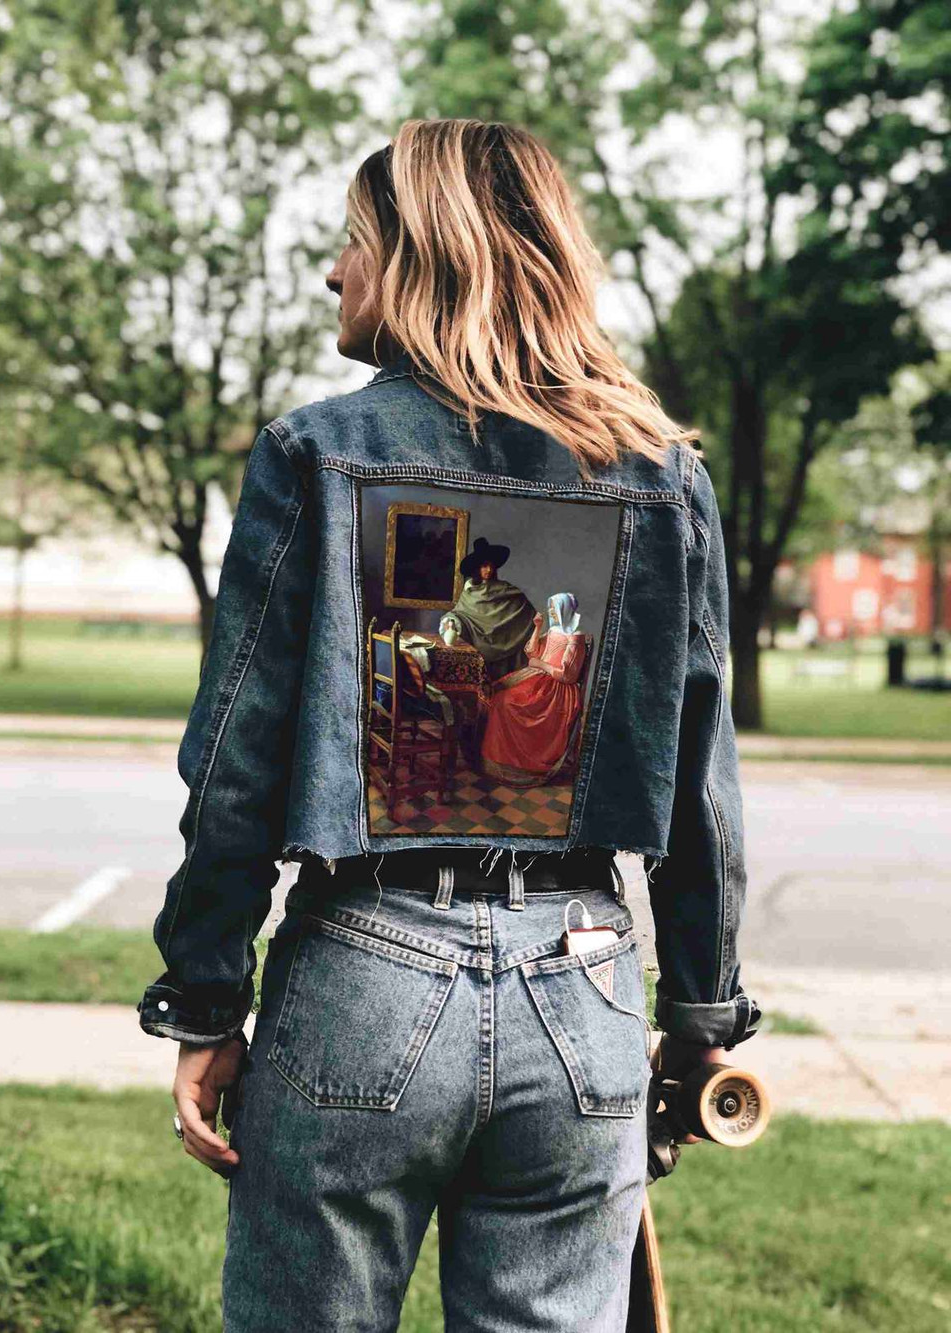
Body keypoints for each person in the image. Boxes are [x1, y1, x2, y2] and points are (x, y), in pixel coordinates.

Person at [137, 118, 762, 1332]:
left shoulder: (314, 454)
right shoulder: (660, 475)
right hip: (582, 984)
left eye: (352, 241)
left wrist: (206, 998)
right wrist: (699, 1016)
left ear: (420, 254)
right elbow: (701, 793)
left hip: (363, 972)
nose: (332, 271)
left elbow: (234, 767)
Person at [479, 591, 588, 785]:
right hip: (539, 679)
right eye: (550, 608)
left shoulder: (576, 636)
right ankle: (503, 758)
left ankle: (522, 762)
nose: (551, 612)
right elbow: (532, 652)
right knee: (497, 694)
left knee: (507, 703)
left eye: (554, 609)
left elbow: (567, 676)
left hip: (557, 691)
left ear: (564, 609)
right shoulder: (553, 631)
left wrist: (540, 665)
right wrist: (538, 628)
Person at [439, 536, 538, 680]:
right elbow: (460, 614)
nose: (489, 570)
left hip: (505, 648)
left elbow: (527, 612)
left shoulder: (506, 589)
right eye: (484, 566)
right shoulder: (470, 592)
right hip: (480, 650)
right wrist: (451, 620)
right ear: (477, 568)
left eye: (492, 566)